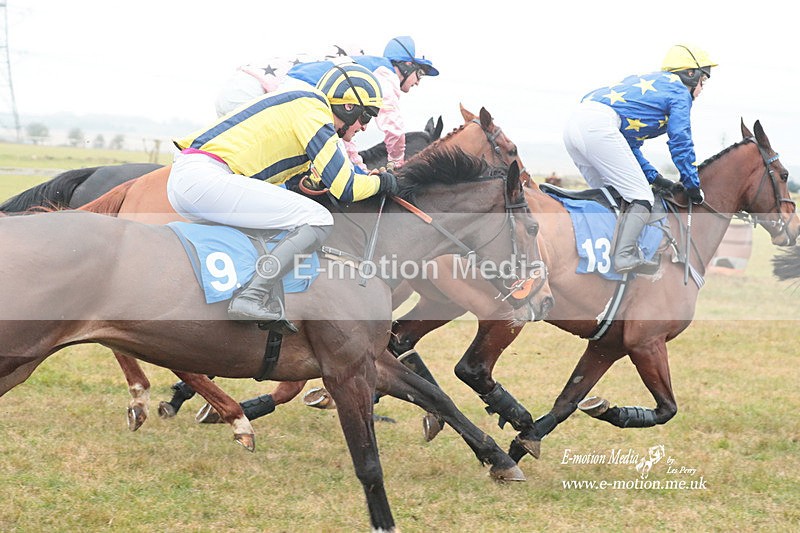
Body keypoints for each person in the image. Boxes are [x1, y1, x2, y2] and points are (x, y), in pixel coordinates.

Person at [168, 62, 398, 332]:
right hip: (206, 178)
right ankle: (252, 296)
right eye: (366, 117)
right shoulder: (314, 111)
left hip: (196, 179)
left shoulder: (306, 111)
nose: (363, 127)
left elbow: (291, 186)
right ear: (349, 107)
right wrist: (382, 183)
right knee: (318, 218)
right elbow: (345, 187)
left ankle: (251, 291)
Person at [563, 44, 717, 274]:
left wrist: (657, 179)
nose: (702, 89)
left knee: (611, 196)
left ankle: (595, 253)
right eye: (703, 81)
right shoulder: (679, 92)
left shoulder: (652, 84)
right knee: (641, 196)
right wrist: (692, 184)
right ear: (690, 74)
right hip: (598, 127)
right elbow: (680, 141)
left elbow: (629, 147)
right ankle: (623, 257)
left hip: (575, 125)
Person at [214, 36, 439, 171]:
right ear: (407, 64)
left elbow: (342, 134)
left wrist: (358, 167)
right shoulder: (385, 74)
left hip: (250, 88)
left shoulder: (362, 75)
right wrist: (397, 162)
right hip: (253, 90)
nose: (418, 82)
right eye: (419, 74)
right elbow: (393, 127)